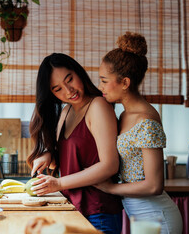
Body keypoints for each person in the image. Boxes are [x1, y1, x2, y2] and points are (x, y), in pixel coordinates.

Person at [96, 32, 183, 234]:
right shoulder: (125, 115)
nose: (101, 87)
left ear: (125, 83)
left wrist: (110, 188)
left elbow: (154, 186)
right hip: (140, 216)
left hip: (157, 217)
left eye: (104, 80)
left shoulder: (146, 121)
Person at [27, 53, 123, 234]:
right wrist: (48, 154)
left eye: (69, 79)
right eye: (58, 89)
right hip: (74, 209)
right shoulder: (66, 111)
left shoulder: (98, 106)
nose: (68, 91)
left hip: (98, 212)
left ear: (78, 72)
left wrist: (58, 184)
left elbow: (110, 165)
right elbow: (68, 159)